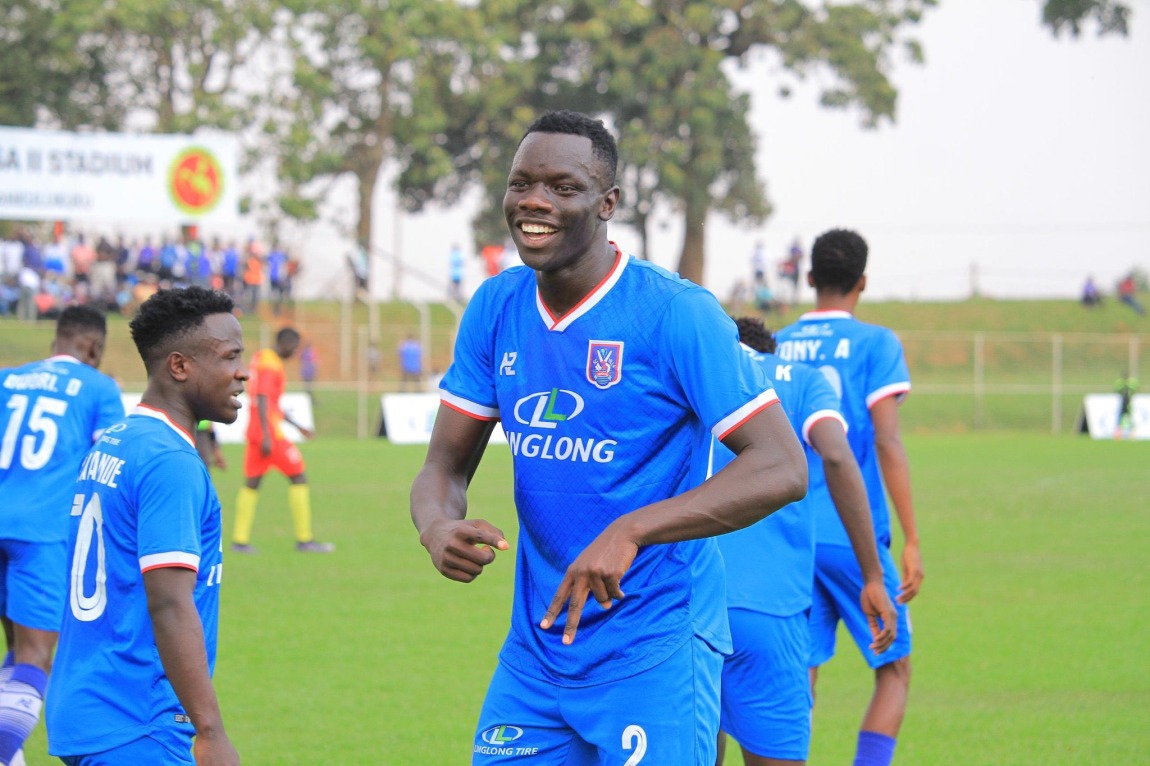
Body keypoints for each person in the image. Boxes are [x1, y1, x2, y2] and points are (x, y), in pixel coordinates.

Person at [410, 110, 807, 765]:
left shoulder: (675, 312)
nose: (535, 201)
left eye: (563, 187)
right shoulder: (496, 307)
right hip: (536, 656)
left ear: (607, 203)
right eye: (521, 183)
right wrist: (436, 526)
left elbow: (781, 466)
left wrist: (632, 531)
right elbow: (444, 468)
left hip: (654, 644)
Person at [45, 286, 243, 765]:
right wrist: (210, 731)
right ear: (179, 366)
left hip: (87, 707)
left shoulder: (119, 439)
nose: (243, 372)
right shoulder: (169, 461)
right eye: (230, 357)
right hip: (137, 719)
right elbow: (169, 602)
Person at [715, 317, 897, 766]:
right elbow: (835, 453)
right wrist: (873, 575)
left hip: (689, 606)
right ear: (770, 350)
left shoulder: (703, 376)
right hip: (770, 608)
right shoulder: (801, 380)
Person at [775, 229, 923, 766]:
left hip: (790, 534)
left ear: (810, 277)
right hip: (851, 535)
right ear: (863, 281)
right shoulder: (876, 344)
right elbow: (886, 441)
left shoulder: (778, 343)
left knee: (799, 677)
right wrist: (911, 539)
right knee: (895, 670)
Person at [0, 306, 124, 765]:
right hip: (43, 532)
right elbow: (108, 466)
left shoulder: (6, 380)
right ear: (93, 346)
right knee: (36, 658)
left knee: (16, 653)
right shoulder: (98, 387)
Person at [232, 326, 334, 553]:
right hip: (270, 435)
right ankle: (304, 539)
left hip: (255, 432)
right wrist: (267, 435)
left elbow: (270, 403)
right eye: (295, 348)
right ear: (285, 343)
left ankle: (239, 541)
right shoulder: (271, 365)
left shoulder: (261, 358)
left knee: (252, 483)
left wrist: (298, 426)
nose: (295, 352)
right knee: (299, 476)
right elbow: (262, 398)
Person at [1114, 371, 1139, 439]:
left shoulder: (1128, 384)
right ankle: (1118, 435)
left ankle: (1131, 435)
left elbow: (1134, 389)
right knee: (1120, 419)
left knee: (1128, 419)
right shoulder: (1122, 383)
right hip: (1123, 404)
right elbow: (1117, 390)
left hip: (1127, 404)